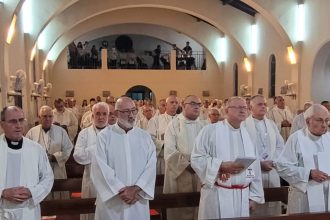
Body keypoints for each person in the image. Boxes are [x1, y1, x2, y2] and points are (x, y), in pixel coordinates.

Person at [191, 96, 264, 219]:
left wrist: (254, 197)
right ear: (226, 111)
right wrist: (220, 166)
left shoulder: (249, 135)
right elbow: (196, 158)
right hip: (217, 194)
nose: (242, 110)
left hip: (243, 196)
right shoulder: (210, 131)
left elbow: (254, 166)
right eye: (237, 107)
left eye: (244, 107)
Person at [91, 97, 156, 220]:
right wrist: (121, 190)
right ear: (116, 113)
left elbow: (151, 166)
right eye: (126, 111)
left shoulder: (145, 137)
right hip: (113, 201)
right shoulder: (104, 137)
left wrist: (136, 189)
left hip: (137, 198)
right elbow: (99, 168)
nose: (131, 115)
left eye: (133, 110)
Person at [0, 106, 54, 219]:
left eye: (21, 120)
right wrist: (2, 193)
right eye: (12, 121)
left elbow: (48, 178)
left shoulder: (36, 149)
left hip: (29, 211)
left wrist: (32, 192)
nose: (18, 125)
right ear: (2, 124)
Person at [276, 104, 330, 214]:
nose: (324, 125)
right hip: (304, 198)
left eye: (327, 120)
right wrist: (308, 174)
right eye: (319, 120)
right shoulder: (296, 138)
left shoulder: (329, 138)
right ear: (307, 121)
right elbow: (282, 166)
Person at [163, 95, 207, 220]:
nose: (196, 107)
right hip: (180, 174)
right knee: (180, 212)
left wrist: (199, 165)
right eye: (193, 103)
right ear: (183, 105)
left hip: (200, 174)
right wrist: (187, 165)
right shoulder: (173, 125)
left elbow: (211, 150)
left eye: (199, 104)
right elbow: (170, 151)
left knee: (199, 210)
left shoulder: (205, 126)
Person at [242, 95, 284, 216]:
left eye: (265, 104)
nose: (263, 106)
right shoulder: (244, 125)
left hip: (272, 170)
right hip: (253, 171)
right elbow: (243, 149)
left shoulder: (271, 124)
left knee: (273, 206)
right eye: (260, 104)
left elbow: (280, 145)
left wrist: (273, 161)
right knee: (255, 209)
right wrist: (259, 163)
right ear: (251, 107)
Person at [26, 106, 73, 200]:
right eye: (44, 116)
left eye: (50, 116)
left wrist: (54, 157)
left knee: (58, 197)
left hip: (57, 167)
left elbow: (68, 148)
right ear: (39, 117)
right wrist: (39, 159)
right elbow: (26, 151)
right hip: (39, 169)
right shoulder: (32, 132)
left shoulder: (61, 131)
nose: (47, 119)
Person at [74, 102, 110, 220]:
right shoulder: (84, 133)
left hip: (110, 182)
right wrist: (98, 148)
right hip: (91, 180)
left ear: (108, 116)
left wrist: (91, 151)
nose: (101, 117)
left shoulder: (114, 133)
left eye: (104, 114)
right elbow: (78, 156)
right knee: (90, 213)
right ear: (92, 116)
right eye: (98, 114)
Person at [147, 95, 179, 175]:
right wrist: (164, 144)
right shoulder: (155, 120)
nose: (174, 104)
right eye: (172, 102)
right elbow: (150, 138)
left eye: (176, 103)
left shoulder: (181, 120)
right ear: (166, 105)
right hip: (162, 159)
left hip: (179, 160)